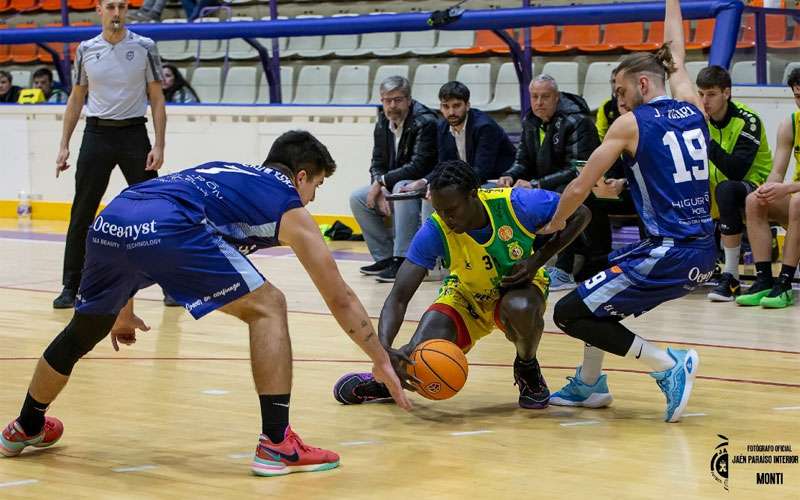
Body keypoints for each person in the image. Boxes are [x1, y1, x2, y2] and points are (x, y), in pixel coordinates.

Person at [0, 131, 411, 476]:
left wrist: (121, 308)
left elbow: (147, 226)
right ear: (300, 176)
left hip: (115, 215)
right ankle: (277, 444)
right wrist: (378, 357)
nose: (312, 200)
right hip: (166, 224)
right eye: (316, 187)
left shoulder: (227, 173)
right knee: (269, 306)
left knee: (82, 330)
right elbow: (339, 296)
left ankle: (25, 426)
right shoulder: (284, 201)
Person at [541, 0, 715, 423]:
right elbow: (677, 54)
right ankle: (590, 383)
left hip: (669, 251)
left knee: (569, 313)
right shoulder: (694, 108)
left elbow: (581, 185)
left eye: (620, 92)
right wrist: (672, 2)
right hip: (702, 250)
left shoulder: (630, 124)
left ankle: (667, 364)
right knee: (597, 294)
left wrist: (556, 222)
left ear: (641, 83)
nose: (617, 101)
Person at [333, 160, 590, 409]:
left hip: (518, 287)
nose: (446, 218)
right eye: (439, 210)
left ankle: (527, 367)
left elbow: (582, 212)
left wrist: (536, 261)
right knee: (419, 352)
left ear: (473, 195)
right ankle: (389, 380)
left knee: (521, 307)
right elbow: (398, 297)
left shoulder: (517, 203)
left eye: (451, 210)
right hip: (466, 294)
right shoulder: (434, 230)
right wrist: (384, 349)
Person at [53, 0, 169, 309]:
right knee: (81, 213)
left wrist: (159, 144)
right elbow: (77, 97)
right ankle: (71, 285)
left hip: (134, 135)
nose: (116, 12)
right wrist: (64, 143)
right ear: (99, 10)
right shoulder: (86, 49)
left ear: (126, 11)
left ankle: (171, 284)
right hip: (97, 134)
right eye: (110, 6)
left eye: (121, 6)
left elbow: (157, 98)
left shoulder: (145, 46)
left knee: (155, 213)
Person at [497, 75, 609, 290]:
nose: (538, 102)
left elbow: (578, 171)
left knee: (563, 195)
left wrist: (537, 185)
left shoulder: (577, 122)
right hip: (547, 186)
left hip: (588, 189)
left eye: (545, 97)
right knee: (502, 192)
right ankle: (511, 260)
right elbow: (523, 160)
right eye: (534, 97)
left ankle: (564, 270)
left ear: (556, 97)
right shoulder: (530, 121)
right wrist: (509, 176)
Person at [695, 65, 773, 302]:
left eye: (711, 94)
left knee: (727, 189)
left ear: (726, 93)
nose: (705, 101)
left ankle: (731, 277)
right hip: (714, 189)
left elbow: (736, 170)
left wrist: (705, 140)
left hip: (755, 187)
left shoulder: (748, 120)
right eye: (701, 94)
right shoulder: (700, 120)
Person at [350, 75, 438, 283]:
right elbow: (376, 161)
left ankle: (404, 258)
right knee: (358, 198)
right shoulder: (383, 121)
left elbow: (419, 165)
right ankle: (385, 258)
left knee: (400, 187)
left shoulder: (425, 121)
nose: (392, 106)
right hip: (393, 182)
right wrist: (378, 185)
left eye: (397, 100)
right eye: (387, 100)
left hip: (423, 183)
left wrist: (382, 183)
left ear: (409, 99)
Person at [737, 68, 800, 309]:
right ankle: (764, 280)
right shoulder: (791, 124)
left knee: (796, 201)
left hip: (797, 198)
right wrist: (769, 188)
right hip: (797, 197)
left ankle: (784, 283)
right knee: (755, 200)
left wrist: (788, 189)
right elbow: (777, 171)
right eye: (797, 96)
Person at [434, 81, 516, 183]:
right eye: (446, 106)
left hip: (497, 181)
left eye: (456, 106)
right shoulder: (443, 127)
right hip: (468, 181)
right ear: (440, 108)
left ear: (467, 105)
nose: (451, 112)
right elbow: (444, 166)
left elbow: (482, 171)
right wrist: (429, 183)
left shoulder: (485, 127)